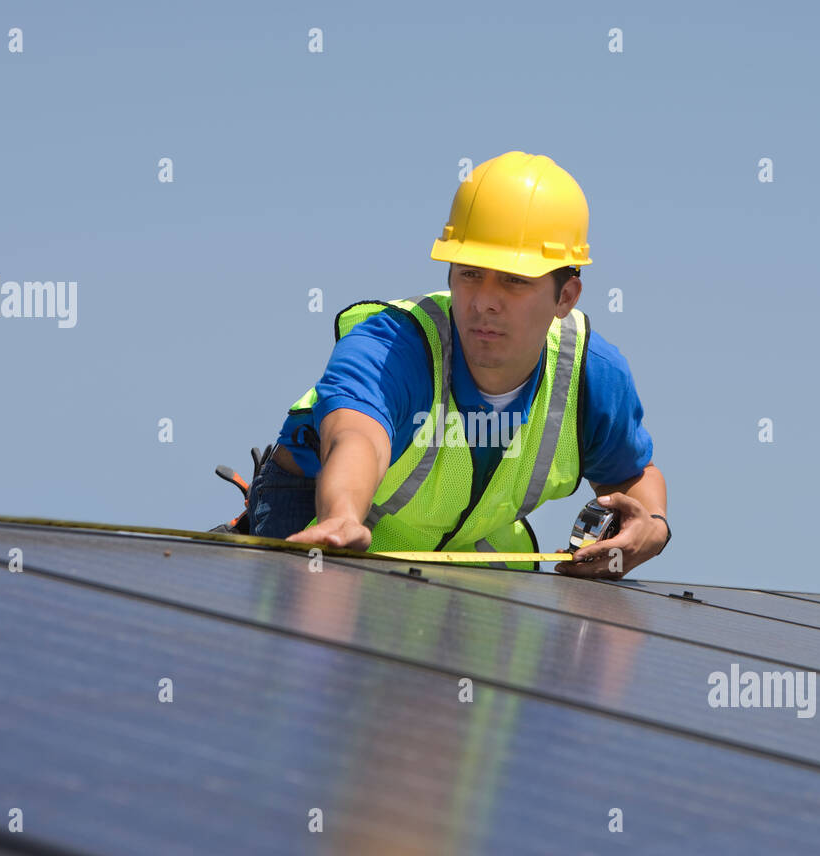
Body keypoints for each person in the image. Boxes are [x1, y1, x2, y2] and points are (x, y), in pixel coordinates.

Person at [214, 151, 669, 579]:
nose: (484, 302)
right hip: (317, 511)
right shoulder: (391, 346)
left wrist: (651, 528)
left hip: (462, 536)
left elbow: (633, 476)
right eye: (470, 273)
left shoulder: (592, 376)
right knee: (319, 640)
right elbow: (357, 437)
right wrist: (341, 517)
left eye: (514, 281)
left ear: (565, 297)